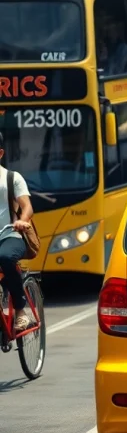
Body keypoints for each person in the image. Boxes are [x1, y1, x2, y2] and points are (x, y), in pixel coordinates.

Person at [0, 133, 35, 331]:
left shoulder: (12, 178)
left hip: (10, 235)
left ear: (0, 153)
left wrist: (23, 221)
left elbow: (27, 205)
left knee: (5, 258)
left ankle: (21, 311)